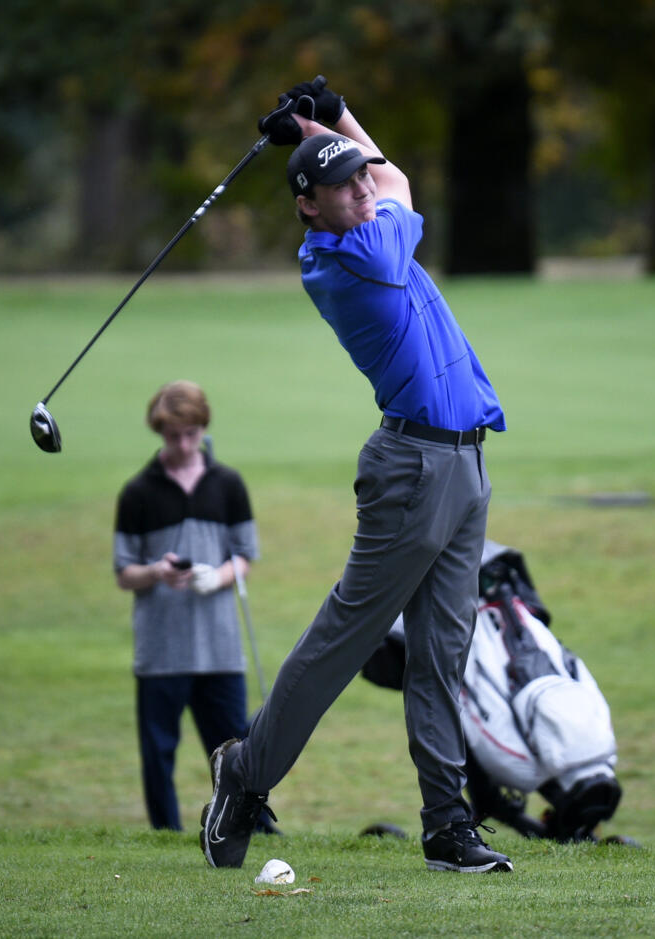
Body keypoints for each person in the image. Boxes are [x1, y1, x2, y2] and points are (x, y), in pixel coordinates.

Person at [199, 78, 510, 873]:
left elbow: (386, 174)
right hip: (413, 467)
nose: (364, 187)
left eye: (359, 177)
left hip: (464, 461)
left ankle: (447, 825)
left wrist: (330, 119)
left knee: (444, 652)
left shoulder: (362, 219)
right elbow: (399, 181)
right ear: (310, 205)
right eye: (343, 184)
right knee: (349, 637)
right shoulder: (358, 255)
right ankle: (244, 772)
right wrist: (335, 126)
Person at [114, 380, 269, 832]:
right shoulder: (138, 492)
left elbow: (245, 555)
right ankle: (166, 833)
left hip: (219, 649)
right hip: (162, 651)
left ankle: (247, 829)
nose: (183, 444)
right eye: (173, 435)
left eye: (190, 433)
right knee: (158, 754)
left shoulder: (228, 485)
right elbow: (124, 572)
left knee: (235, 751)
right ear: (160, 432)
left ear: (203, 428)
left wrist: (214, 576)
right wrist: (156, 572)